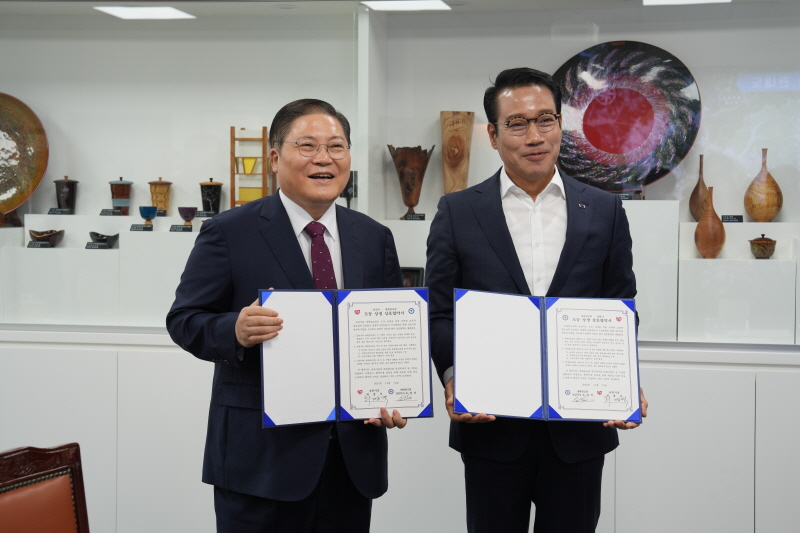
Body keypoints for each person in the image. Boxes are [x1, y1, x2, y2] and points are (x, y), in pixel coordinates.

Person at [167, 98, 406, 533]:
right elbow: (184, 319)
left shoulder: (374, 238)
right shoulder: (229, 232)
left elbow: (389, 337)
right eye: (307, 145)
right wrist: (235, 330)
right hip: (260, 461)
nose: (324, 158)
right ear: (275, 158)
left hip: (351, 460)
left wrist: (395, 394)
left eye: (336, 146)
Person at [425, 68, 648, 533]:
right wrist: (452, 374)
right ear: (493, 135)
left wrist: (625, 378)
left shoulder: (604, 210)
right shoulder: (458, 212)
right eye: (517, 123)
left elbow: (619, 305)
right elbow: (441, 311)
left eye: (545, 119)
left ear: (560, 125)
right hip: (491, 426)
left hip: (578, 431)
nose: (534, 136)